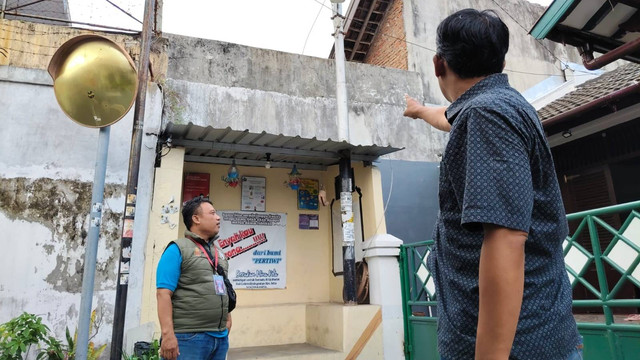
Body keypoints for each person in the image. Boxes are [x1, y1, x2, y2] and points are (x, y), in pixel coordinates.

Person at [403, 9, 581, 360]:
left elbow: (506, 239)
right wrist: (421, 110)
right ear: (500, 61)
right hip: (539, 337)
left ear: (439, 64)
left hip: (518, 347)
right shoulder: (496, 106)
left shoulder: (486, 116)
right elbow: (449, 116)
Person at [157, 196, 232, 360]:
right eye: (212, 213)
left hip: (219, 338)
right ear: (196, 219)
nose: (218, 217)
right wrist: (168, 334)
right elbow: (163, 294)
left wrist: (227, 319)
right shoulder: (177, 249)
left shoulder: (218, 253)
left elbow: (222, 288)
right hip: (187, 338)